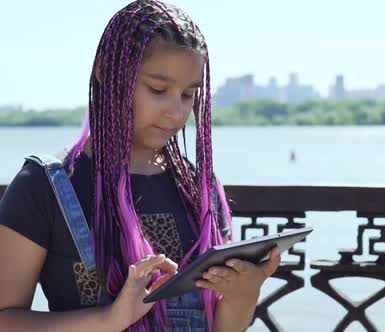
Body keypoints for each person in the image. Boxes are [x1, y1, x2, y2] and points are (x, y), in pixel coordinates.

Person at [0, 1, 280, 331]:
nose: (176, 112)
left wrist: (243, 296)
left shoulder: (199, 190)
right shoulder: (43, 187)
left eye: (189, 95)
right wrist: (109, 319)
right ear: (106, 71)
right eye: (158, 90)